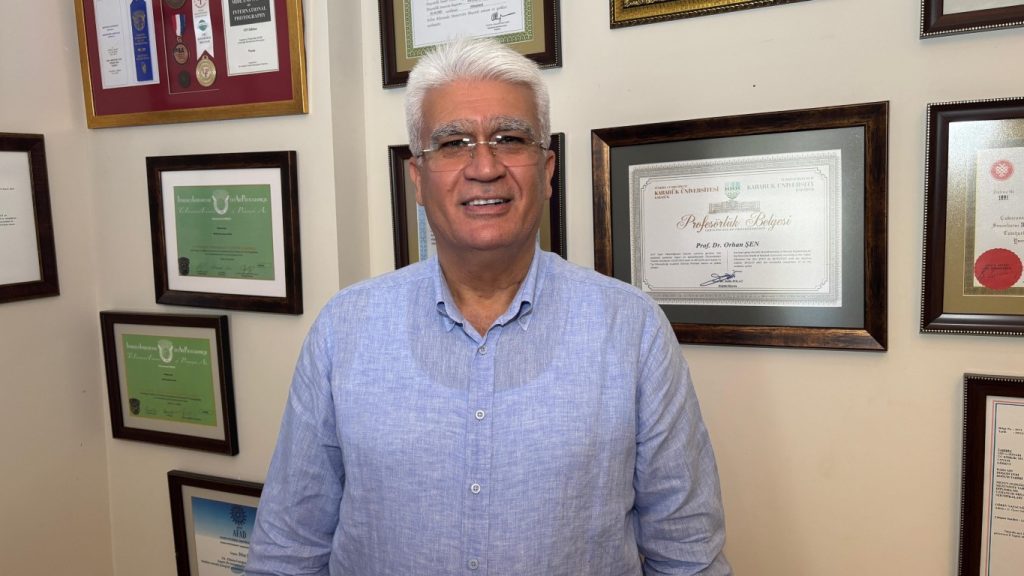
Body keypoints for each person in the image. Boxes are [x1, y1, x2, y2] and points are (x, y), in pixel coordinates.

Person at [245, 37, 731, 576]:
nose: (484, 166)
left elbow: (687, 554)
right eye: (453, 143)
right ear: (418, 179)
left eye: (510, 139)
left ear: (546, 171)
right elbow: (289, 550)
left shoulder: (632, 328)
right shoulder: (345, 329)